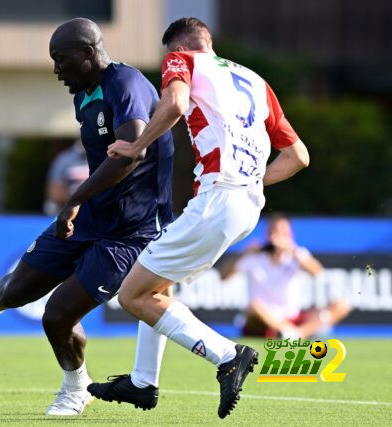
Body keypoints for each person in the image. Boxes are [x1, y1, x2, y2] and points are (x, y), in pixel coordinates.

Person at [0, 18, 175, 416]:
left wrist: (73, 200)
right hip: (91, 216)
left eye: (61, 60)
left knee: (56, 315)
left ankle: (76, 388)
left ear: (87, 53)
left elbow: (133, 153)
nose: (56, 70)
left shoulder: (125, 85)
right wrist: (81, 205)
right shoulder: (83, 94)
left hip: (129, 232)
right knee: (13, 291)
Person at [87, 17, 310, 419]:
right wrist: (252, 180)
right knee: (157, 284)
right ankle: (142, 382)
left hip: (217, 199)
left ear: (178, 47)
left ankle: (228, 356)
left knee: (133, 296)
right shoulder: (257, 81)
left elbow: (174, 104)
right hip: (247, 205)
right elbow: (298, 157)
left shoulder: (181, 59)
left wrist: (137, 145)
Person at [224, 214, 350, 339]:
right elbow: (224, 276)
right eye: (273, 232)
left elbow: (317, 272)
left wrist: (293, 250)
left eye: (282, 233)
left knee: (341, 305)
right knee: (254, 306)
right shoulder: (253, 257)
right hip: (262, 320)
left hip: (292, 318)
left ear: (290, 235)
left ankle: (297, 334)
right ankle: (290, 333)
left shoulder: (296, 254)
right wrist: (242, 254)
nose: (276, 237)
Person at [44, 139, 89, 215]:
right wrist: (79, 199)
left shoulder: (103, 157)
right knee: (50, 206)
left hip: (98, 208)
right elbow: (54, 192)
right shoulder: (64, 159)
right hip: (69, 209)